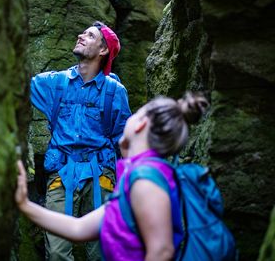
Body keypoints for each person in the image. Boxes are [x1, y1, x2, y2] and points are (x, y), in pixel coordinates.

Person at [17, 92, 209, 261]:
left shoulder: (146, 179)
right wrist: (24, 204)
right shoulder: (135, 176)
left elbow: (162, 251)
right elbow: (78, 228)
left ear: (141, 124)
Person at [30, 21, 132, 260]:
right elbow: (16, 85)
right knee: (56, 253)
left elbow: (127, 143)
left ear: (103, 50)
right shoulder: (54, 83)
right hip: (61, 173)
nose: (81, 35)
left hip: (102, 175)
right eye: (83, 32)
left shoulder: (115, 92)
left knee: (101, 252)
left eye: (90, 35)